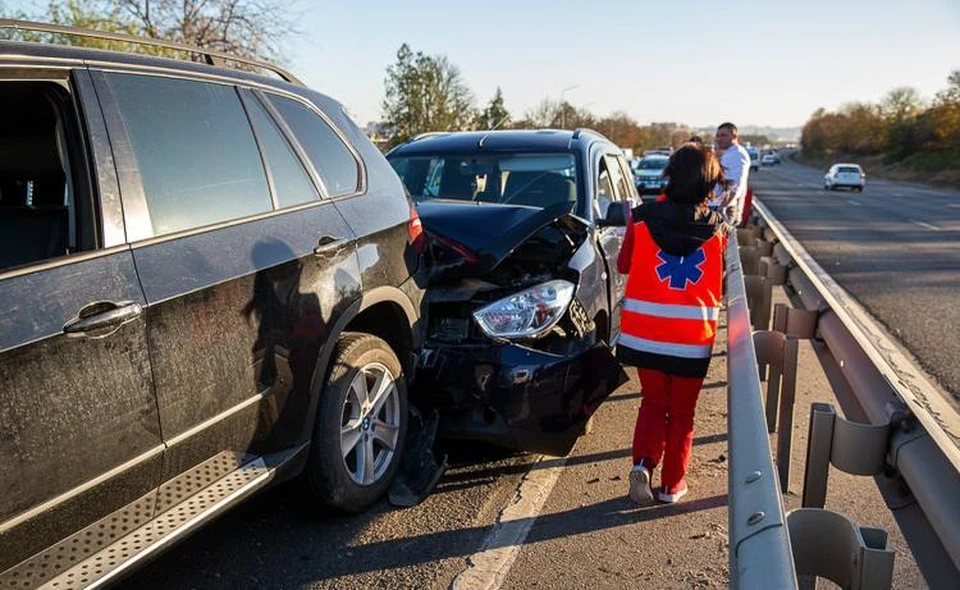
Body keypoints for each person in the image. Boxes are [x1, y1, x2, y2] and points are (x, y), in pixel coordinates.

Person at [616, 143, 728, 504]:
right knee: (682, 414)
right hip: (692, 339)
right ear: (709, 183)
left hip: (645, 335)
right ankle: (672, 485)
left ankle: (643, 464)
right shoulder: (719, 229)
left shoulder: (641, 217)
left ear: (670, 175)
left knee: (651, 402)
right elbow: (720, 281)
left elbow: (623, 265)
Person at [709, 122, 750, 224]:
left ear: (734, 135)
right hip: (717, 205)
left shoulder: (737, 155)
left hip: (724, 208)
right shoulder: (727, 153)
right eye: (717, 135)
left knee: (723, 238)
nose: (719, 139)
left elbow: (735, 185)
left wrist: (722, 208)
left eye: (723, 135)